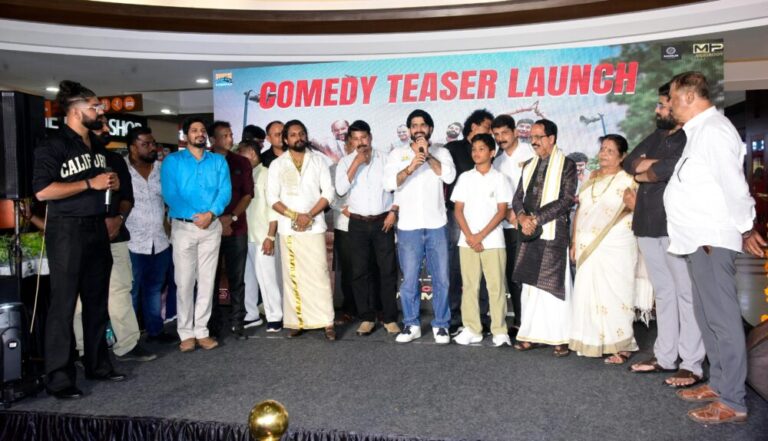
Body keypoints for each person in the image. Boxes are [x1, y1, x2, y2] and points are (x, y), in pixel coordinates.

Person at [664, 71, 765, 424]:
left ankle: (733, 401)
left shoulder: (715, 131)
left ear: (690, 96)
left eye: (673, 98)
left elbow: (734, 186)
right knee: (708, 318)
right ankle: (720, 383)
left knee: (722, 319)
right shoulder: (698, 133)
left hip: (711, 239)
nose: (669, 105)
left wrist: (747, 226)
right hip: (696, 239)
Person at [32, 80, 125, 399]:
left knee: (97, 301)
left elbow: (101, 182)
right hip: (67, 231)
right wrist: (89, 184)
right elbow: (43, 191)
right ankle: (58, 378)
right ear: (75, 111)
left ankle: (98, 364)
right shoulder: (53, 144)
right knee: (64, 305)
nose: (100, 111)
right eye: (95, 106)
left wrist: (110, 183)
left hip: (96, 228)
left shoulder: (97, 146)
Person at [624, 82, 705, 388]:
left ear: (676, 106)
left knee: (686, 293)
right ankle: (665, 357)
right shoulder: (657, 135)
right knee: (664, 294)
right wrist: (650, 169)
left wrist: (649, 169)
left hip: (676, 226)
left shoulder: (691, 136)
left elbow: (679, 166)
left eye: (662, 105)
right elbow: (630, 163)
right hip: (646, 223)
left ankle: (692, 364)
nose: (657, 110)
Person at [72, 116, 156, 363]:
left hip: (115, 236)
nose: (107, 129)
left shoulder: (115, 160)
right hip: (80, 236)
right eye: (102, 126)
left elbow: (128, 197)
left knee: (120, 289)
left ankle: (127, 344)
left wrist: (118, 218)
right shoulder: (72, 158)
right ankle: (83, 349)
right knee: (80, 297)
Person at [569, 134, 644, 364]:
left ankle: (622, 345)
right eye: (602, 149)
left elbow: (638, 210)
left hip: (617, 246)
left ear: (622, 156)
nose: (604, 154)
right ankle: (592, 341)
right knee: (588, 292)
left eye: (610, 150)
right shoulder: (591, 179)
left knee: (617, 293)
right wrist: (574, 241)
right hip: (587, 246)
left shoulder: (629, 180)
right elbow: (581, 211)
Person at [385, 109, 456, 344]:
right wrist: (411, 167)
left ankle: (441, 325)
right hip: (408, 226)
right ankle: (411, 324)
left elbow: (448, 177)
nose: (418, 129)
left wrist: (427, 155)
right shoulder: (397, 154)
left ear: (430, 129)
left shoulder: (442, 152)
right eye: (414, 125)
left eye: (422, 125)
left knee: (442, 279)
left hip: (437, 225)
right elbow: (388, 183)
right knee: (409, 280)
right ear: (409, 130)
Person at [161, 116, 231, 352]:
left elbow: (225, 191)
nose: (199, 134)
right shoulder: (172, 161)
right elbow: (170, 194)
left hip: (211, 227)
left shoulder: (218, 161)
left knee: (207, 282)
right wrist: (195, 216)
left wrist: (210, 214)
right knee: (184, 282)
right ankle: (186, 333)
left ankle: (201, 331)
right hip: (183, 228)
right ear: (185, 135)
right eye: (194, 130)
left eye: (202, 130)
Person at [512, 119, 577, 357]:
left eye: (539, 137)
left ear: (552, 139)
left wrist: (536, 219)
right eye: (532, 137)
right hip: (529, 232)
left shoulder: (567, 165)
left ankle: (561, 338)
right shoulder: (529, 165)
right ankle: (532, 334)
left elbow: (567, 200)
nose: (534, 141)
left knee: (554, 285)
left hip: (552, 233)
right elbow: (518, 197)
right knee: (531, 287)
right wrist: (522, 217)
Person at [267, 120, 337, 340]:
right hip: (289, 229)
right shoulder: (277, 164)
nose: (298, 137)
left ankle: (327, 321)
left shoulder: (318, 161)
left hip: (314, 226)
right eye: (293, 134)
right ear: (285, 139)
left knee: (320, 275)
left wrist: (309, 215)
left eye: (301, 133)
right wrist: (296, 217)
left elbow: (328, 193)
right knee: (293, 277)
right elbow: (272, 198)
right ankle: (298, 321)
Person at [335, 120, 400, 336]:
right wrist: (356, 163)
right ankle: (367, 317)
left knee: (387, 271)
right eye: (355, 139)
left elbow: (398, 186)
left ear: (370, 137)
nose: (360, 142)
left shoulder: (386, 158)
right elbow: (340, 190)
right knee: (360, 272)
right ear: (350, 141)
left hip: (383, 221)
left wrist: (394, 211)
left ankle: (389, 317)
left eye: (364, 137)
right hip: (358, 224)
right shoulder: (345, 162)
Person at [451, 133, 513, 346]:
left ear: (492, 152)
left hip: (493, 241)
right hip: (467, 241)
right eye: (474, 149)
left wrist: (481, 236)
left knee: (496, 287)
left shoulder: (500, 179)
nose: (476, 153)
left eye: (481, 149)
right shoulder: (465, 178)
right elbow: (458, 210)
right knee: (470, 286)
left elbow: (502, 211)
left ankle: (499, 331)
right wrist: (470, 236)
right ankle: (472, 329)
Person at [125, 126, 177, 345]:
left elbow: (170, 199)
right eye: (145, 144)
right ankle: (129, 340)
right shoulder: (122, 170)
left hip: (160, 240)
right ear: (132, 147)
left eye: (152, 143)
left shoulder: (161, 169)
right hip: (132, 242)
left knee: (155, 288)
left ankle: (155, 331)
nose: (151, 147)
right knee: (132, 291)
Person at [445, 109, 494, 331]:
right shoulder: (452, 149)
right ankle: (454, 316)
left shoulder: (491, 152)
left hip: (484, 217)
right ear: (473, 127)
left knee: (482, 266)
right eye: (487, 127)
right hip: (457, 216)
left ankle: (482, 316)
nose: (490, 132)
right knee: (456, 266)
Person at [209, 120, 254, 339]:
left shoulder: (241, 162)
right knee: (210, 279)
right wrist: (217, 221)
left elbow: (248, 194)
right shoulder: (203, 162)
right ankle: (212, 325)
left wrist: (231, 218)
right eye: (224, 135)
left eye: (231, 135)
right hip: (209, 228)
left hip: (237, 228)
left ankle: (238, 323)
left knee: (237, 278)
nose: (230, 139)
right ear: (212, 140)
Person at [491, 114, 535, 331]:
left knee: (532, 275)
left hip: (532, 224)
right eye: (496, 135)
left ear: (516, 132)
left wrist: (522, 214)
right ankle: (519, 322)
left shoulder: (532, 153)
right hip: (507, 226)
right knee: (513, 275)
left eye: (505, 133)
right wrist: (508, 213)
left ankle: (536, 323)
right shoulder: (496, 162)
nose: (501, 138)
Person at [237, 140, 282, 332]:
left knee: (267, 278)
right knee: (248, 278)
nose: (238, 159)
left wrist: (270, 236)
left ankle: (275, 316)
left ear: (252, 154)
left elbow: (273, 208)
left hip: (263, 235)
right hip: (246, 234)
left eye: (241, 155)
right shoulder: (246, 175)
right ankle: (251, 314)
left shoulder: (266, 174)